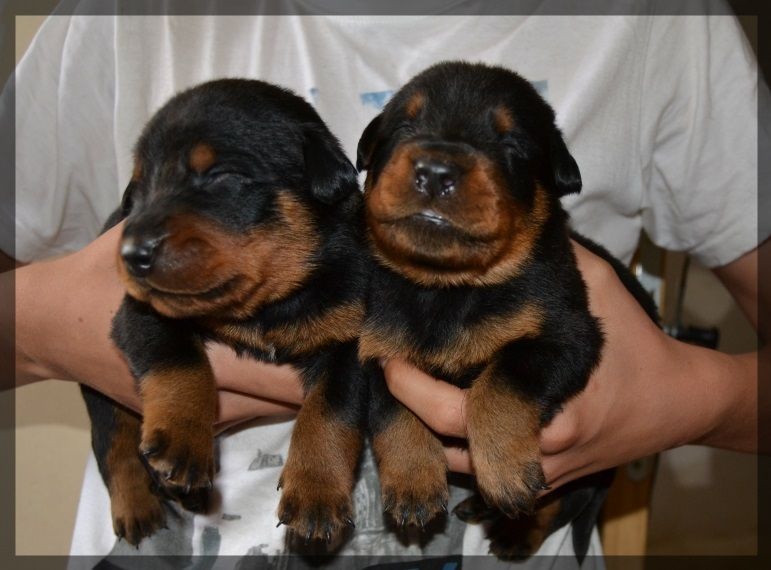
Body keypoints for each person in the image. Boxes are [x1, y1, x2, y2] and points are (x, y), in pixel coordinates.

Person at [4, 4, 767, 567]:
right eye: (406, 138)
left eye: (503, 148)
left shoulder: (667, 26)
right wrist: (38, 325)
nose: (437, 167)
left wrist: (695, 400)